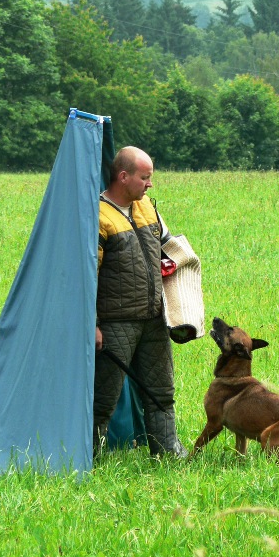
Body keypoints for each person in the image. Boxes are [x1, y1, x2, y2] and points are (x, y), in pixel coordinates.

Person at [93, 145, 188, 458]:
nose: (150, 184)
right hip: (116, 322)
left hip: (154, 316)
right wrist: (93, 325)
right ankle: (87, 455)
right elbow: (87, 276)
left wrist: (172, 261)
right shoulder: (98, 216)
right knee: (103, 397)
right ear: (123, 177)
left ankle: (168, 452)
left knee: (161, 391)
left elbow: (167, 244)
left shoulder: (147, 207)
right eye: (145, 177)